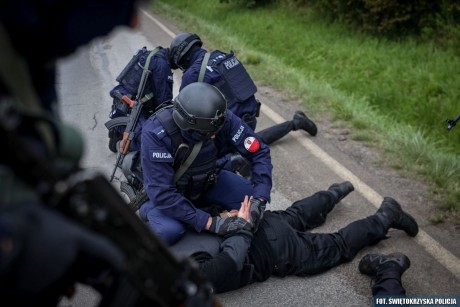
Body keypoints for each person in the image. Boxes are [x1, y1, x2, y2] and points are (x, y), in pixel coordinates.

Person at [0, 1, 216, 306]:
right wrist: (15, 244)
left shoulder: (27, 60)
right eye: (120, 5)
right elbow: (159, 106)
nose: (133, 22)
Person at [169, 181, 419, 294]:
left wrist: (240, 225)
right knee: (295, 215)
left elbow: (232, 260)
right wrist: (226, 217)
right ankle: (332, 193)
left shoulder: (186, 280)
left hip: (271, 249)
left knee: (338, 244)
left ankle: (386, 216)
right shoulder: (158, 240)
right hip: (260, 222)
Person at [140, 82, 273, 245]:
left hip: (207, 181)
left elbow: (258, 151)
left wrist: (260, 198)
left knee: (248, 202)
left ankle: (201, 210)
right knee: (169, 231)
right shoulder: (155, 133)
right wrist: (211, 223)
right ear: (186, 125)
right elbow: (162, 193)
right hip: (172, 194)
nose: (213, 137)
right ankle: (149, 211)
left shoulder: (217, 119)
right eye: (206, 134)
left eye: (215, 132)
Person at [169, 32, 318, 175]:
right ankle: (295, 123)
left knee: (203, 161)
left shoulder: (193, 74)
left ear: (181, 59)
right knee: (248, 141)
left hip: (229, 129)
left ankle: (235, 162)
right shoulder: (222, 56)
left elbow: (184, 111)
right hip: (251, 116)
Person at [107, 45, 173, 153]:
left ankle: (117, 131)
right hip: (132, 106)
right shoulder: (162, 65)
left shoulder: (149, 55)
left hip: (122, 101)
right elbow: (164, 104)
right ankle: (122, 144)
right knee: (150, 141)